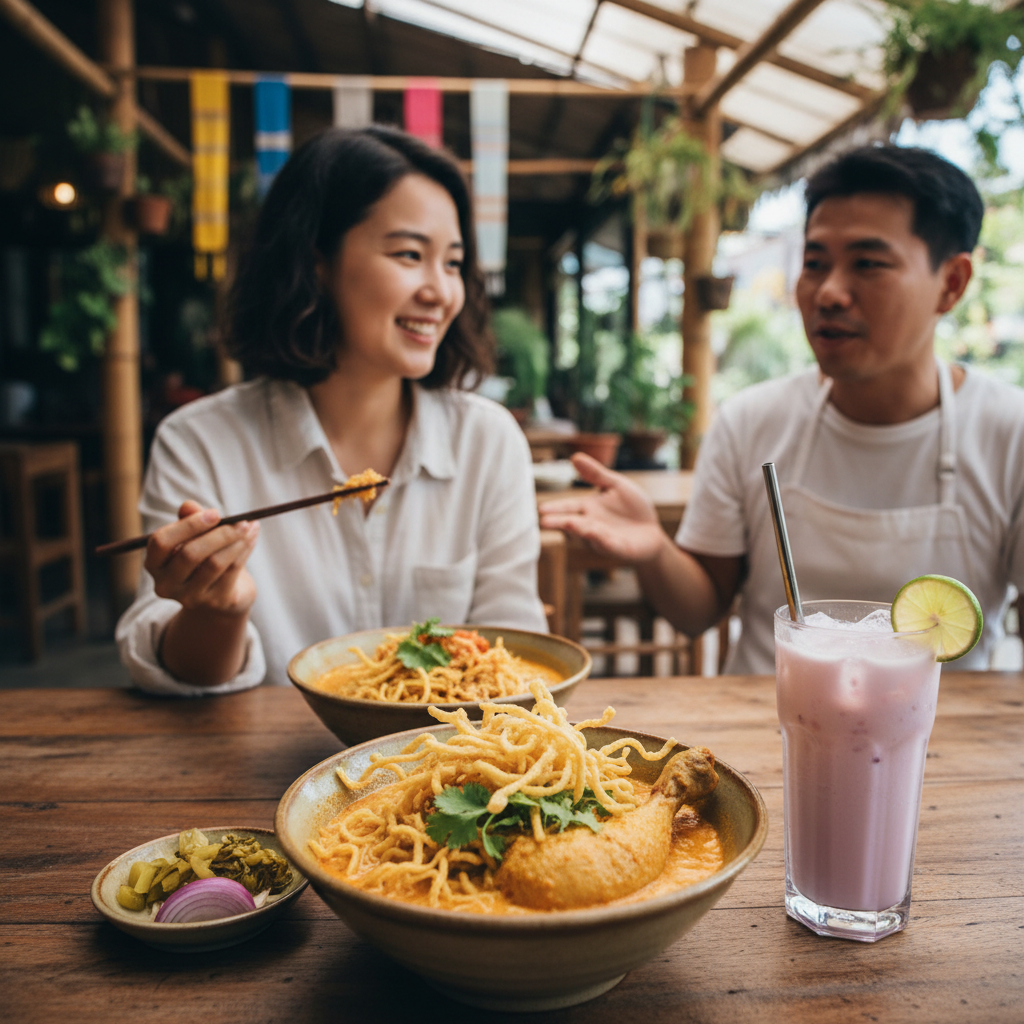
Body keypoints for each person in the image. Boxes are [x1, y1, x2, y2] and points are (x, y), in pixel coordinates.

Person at [541, 144, 1024, 674]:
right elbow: (699, 609)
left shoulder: (1010, 433)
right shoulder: (751, 421)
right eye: (815, 263)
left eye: (868, 263)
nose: (829, 292)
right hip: (766, 726)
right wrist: (655, 549)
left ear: (951, 283)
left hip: (952, 739)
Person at [117, 125, 547, 695]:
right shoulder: (200, 442)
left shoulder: (488, 442)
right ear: (316, 259)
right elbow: (172, 670)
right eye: (410, 255)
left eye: (453, 263)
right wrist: (217, 610)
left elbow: (516, 655)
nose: (442, 292)